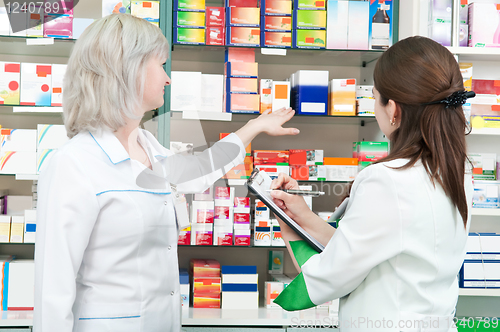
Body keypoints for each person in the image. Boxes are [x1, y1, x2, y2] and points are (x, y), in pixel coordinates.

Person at [34, 14, 299, 332]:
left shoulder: (149, 147)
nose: (168, 79)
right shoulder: (74, 164)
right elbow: (53, 291)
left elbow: (203, 169)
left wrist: (254, 127)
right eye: (160, 65)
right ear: (126, 69)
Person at [270, 36, 474, 332]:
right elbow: (371, 247)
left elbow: (330, 276)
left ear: (393, 109)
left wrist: (290, 230)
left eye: (374, 97)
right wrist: (303, 216)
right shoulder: (457, 172)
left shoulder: (387, 179)